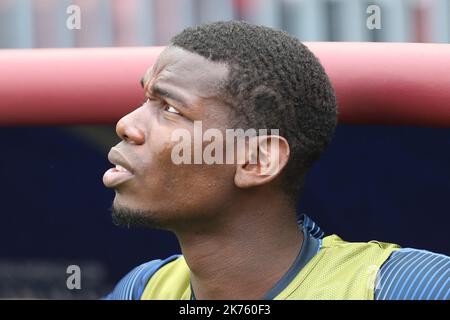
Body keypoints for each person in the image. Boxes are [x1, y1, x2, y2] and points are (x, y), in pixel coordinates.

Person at [103, 21, 449, 300]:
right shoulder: (143, 288)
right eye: (145, 99)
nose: (126, 124)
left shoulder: (405, 287)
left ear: (256, 160)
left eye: (171, 109)